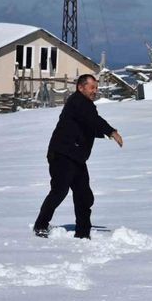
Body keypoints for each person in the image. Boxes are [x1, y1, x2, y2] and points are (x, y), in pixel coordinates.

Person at [33, 74, 123, 239]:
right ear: (81, 88)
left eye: (96, 88)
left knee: (84, 195)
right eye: (92, 88)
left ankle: (83, 233)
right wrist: (111, 131)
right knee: (59, 191)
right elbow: (93, 120)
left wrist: (104, 133)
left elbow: (89, 124)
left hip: (76, 157)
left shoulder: (85, 105)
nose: (95, 91)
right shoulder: (78, 102)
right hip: (62, 154)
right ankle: (40, 225)